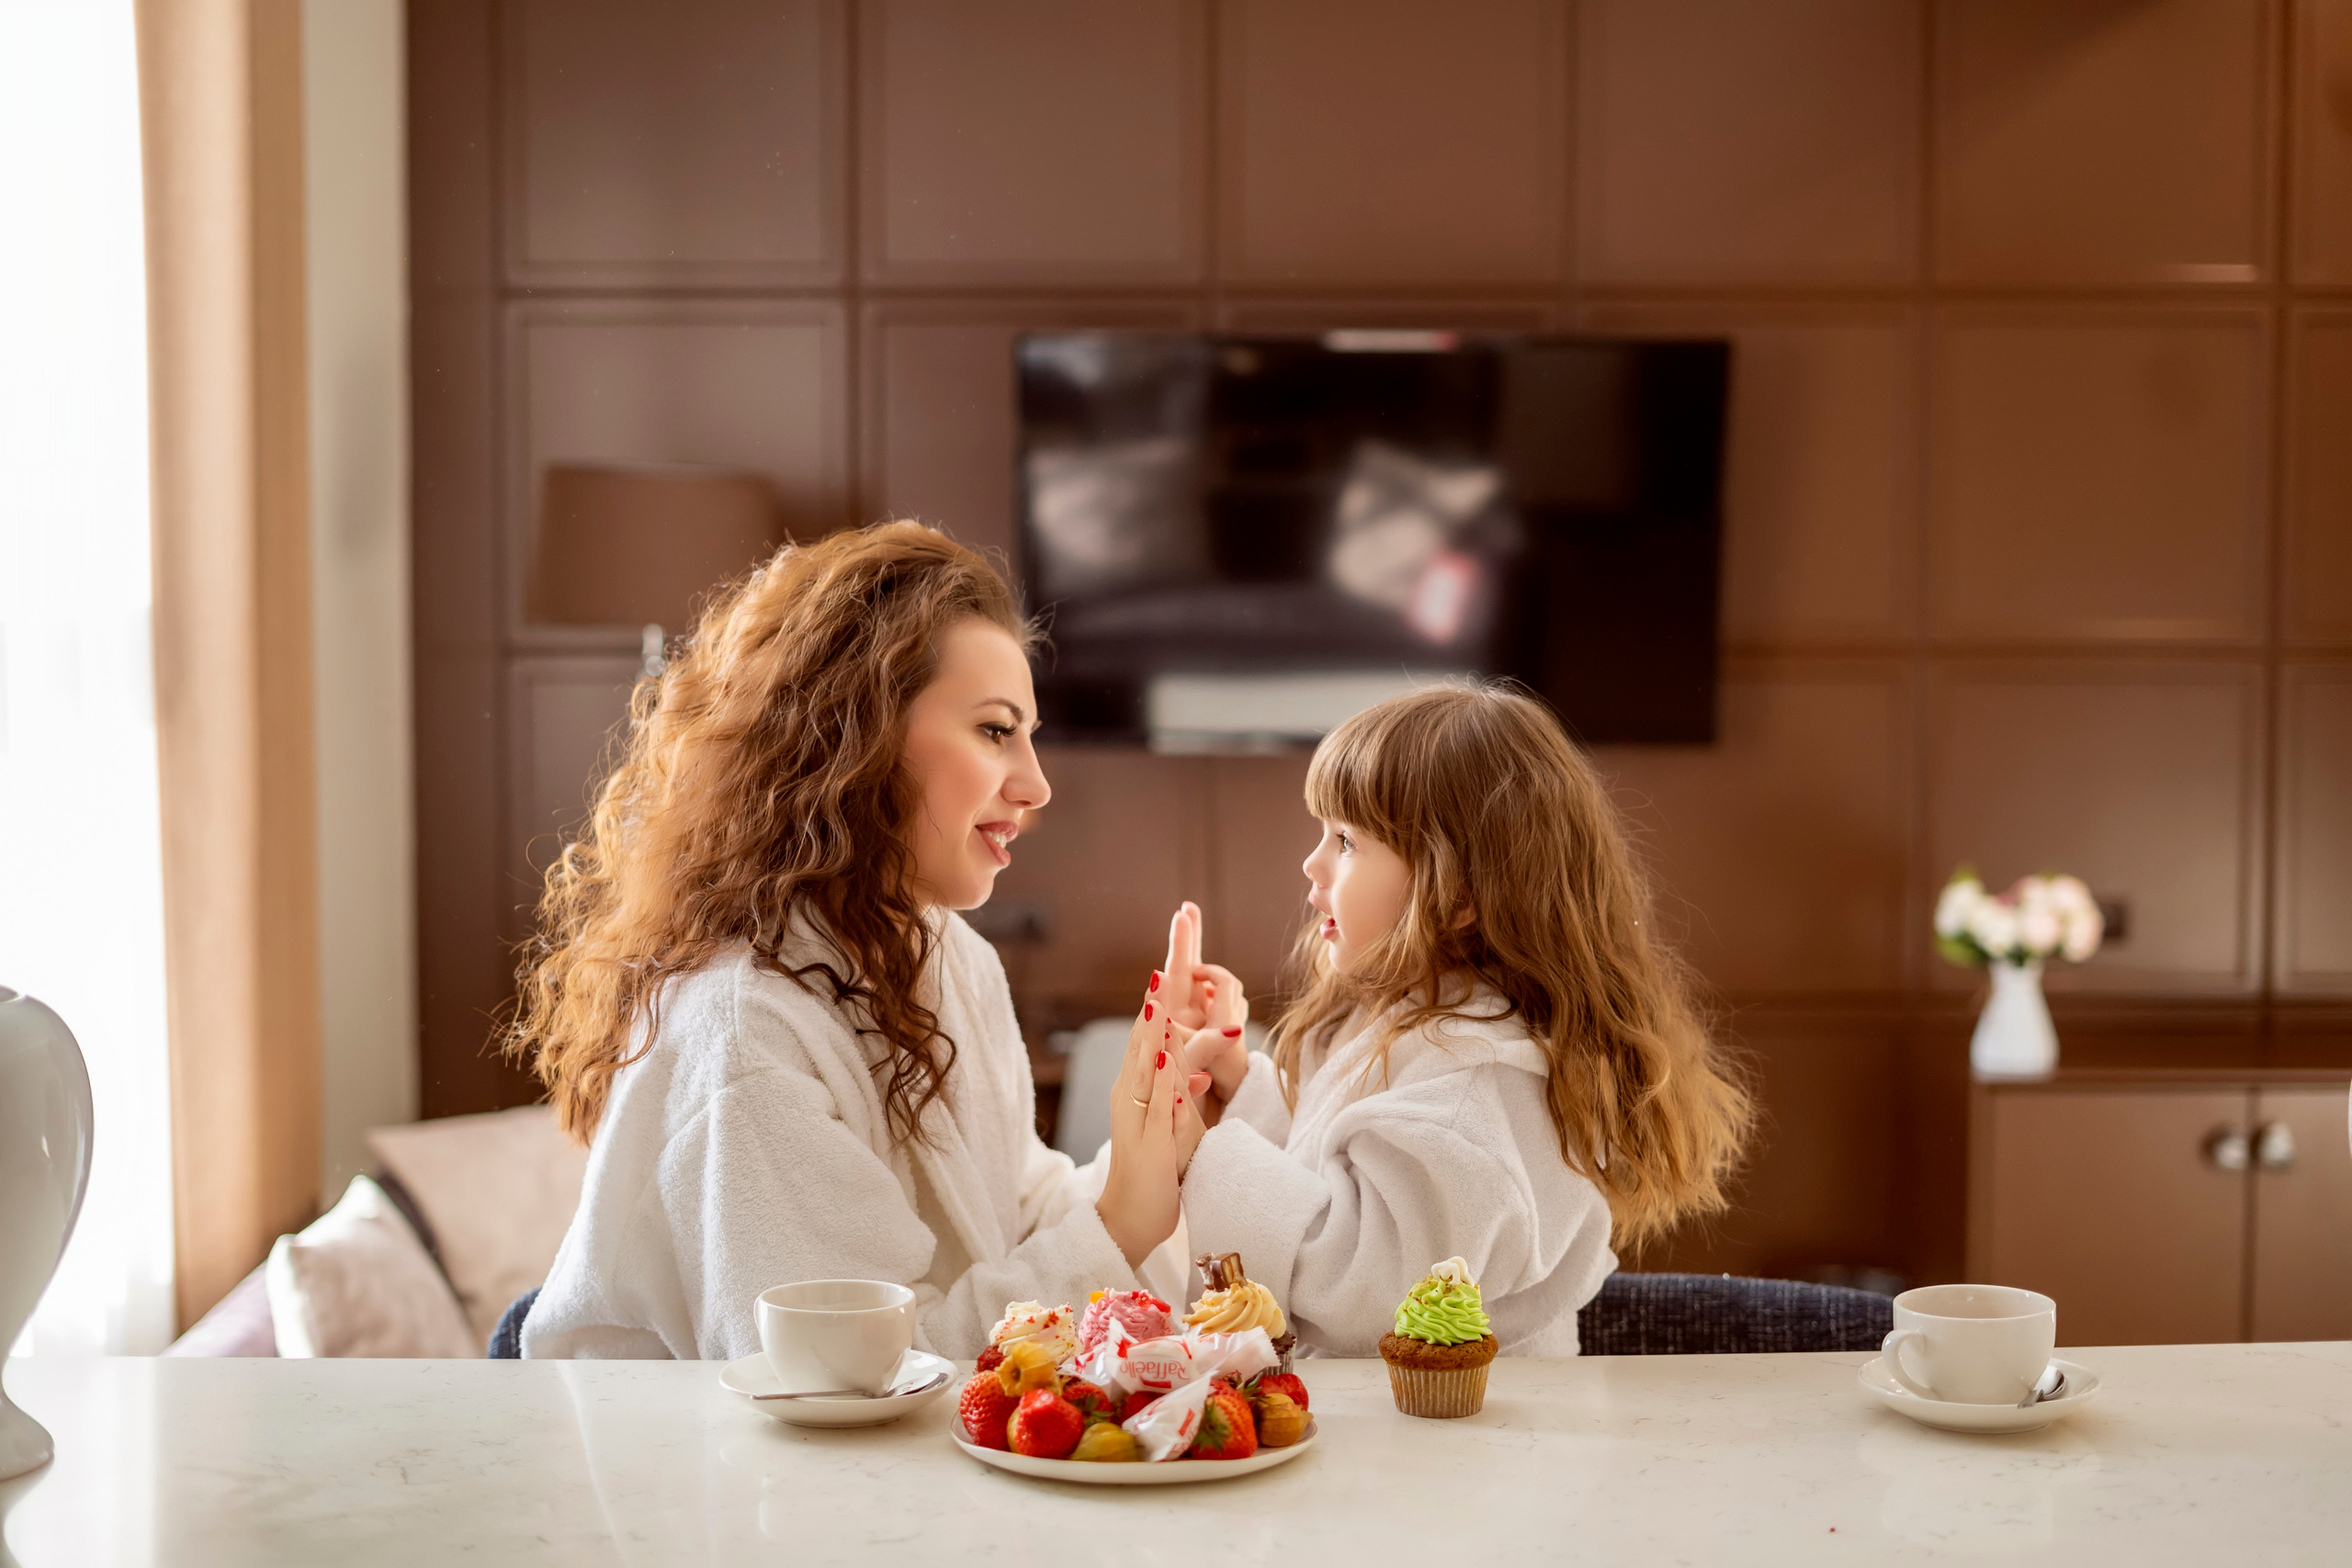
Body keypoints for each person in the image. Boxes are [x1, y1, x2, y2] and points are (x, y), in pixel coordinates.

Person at [510, 523, 1208, 1360]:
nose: (1036, 783)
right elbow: (847, 1377)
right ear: (858, 736)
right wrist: (1118, 1224)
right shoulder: (745, 1033)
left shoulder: (948, 954)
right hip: (692, 1476)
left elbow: (1016, 1215)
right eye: (995, 730)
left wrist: (1159, 1149)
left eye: (1029, 735)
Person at [1172, 682, 1755, 1356]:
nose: (1313, 861)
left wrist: (1201, 1155)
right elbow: (1342, 1188)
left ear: (1456, 895)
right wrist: (1242, 1091)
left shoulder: (1479, 1089)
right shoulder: (1412, 1018)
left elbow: (1364, 1294)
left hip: (1468, 1453)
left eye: (1346, 840)